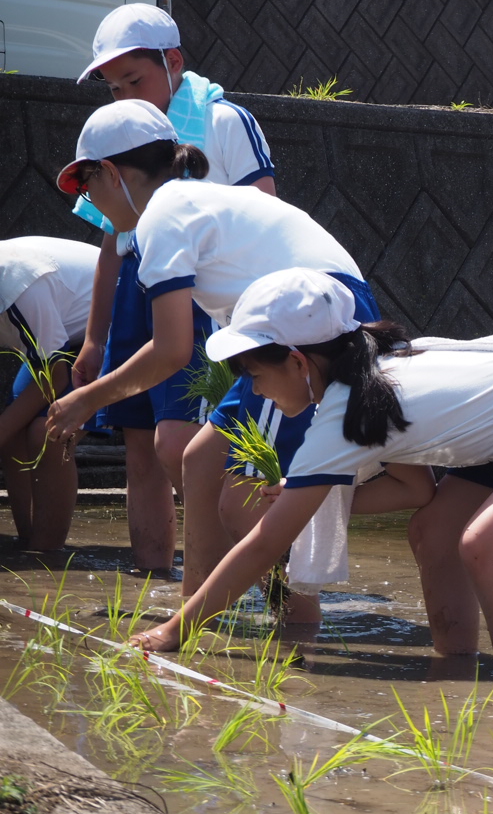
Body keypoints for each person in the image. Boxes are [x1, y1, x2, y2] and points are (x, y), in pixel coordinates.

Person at [127, 269, 493, 673]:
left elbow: (264, 544)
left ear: (299, 362)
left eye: (256, 375)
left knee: (484, 543)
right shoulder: (364, 377)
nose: (255, 392)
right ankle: (456, 668)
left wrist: (172, 632)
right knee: (435, 533)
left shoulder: (347, 413)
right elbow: (414, 490)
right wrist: (314, 498)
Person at [45, 99, 378, 609]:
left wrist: (87, 399)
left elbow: (172, 350)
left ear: (110, 172)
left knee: (244, 499)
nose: (89, 199)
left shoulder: (161, 217)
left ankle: (298, 626)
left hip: (310, 326)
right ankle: (197, 610)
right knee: (200, 458)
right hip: (296, 319)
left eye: (86, 184)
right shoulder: (183, 203)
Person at [71, 3, 277, 575]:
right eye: (114, 88)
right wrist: (94, 337)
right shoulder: (116, 140)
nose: (127, 96)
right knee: (139, 440)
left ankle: (228, 575)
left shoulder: (222, 119)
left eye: (135, 80)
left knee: (180, 443)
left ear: (175, 61)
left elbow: (263, 211)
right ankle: (153, 576)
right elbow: (112, 243)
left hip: (198, 296)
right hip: (140, 293)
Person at [0, 237, 98, 550]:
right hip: (58, 339)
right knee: (13, 434)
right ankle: (27, 541)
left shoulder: (19, 288)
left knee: (47, 433)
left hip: (102, 331)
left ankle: (46, 555)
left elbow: (56, 378)